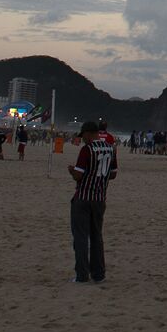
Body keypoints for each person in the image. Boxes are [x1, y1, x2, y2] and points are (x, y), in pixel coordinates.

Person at [69, 121, 118, 283]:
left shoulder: (87, 150)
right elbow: (112, 174)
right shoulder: (111, 149)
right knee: (97, 236)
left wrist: (72, 171)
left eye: (83, 136)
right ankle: (99, 274)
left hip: (83, 198)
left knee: (81, 237)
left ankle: (82, 275)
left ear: (89, 134)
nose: (83, 139)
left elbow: (79, 176)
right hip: (99, 198)